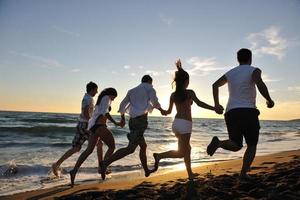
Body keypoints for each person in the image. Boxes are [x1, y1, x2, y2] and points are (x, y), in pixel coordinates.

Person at [207, 48, 274, 180]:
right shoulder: (254, 70)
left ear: (238, 59)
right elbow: (260, 83)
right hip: (248, 111)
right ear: (250, 58)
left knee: (236, 144)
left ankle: (219, 143)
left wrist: (216, 105)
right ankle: (243, 174)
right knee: (252, 144)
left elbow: (214, 85)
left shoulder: (231, 73)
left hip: (231, 112)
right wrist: (269, 100)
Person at [151, 59, 222, 180]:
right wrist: (214, 108)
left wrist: (161, 110)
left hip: (176, 124)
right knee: (181, 152)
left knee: (187, 148)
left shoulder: (173, 95)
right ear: (186, 81)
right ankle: (159, 156)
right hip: (185, 125)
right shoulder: (189, 92)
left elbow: (168, 112)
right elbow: (200, 104)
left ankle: (190, 174)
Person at [99, 75, 164, 180]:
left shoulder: (132, 90)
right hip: (141, 122)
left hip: (132, 121)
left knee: (143, 146)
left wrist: (123, 117)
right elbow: (155, 102)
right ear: (149, 81)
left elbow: (122, 105)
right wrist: (162, 110)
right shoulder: (149, 88)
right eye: (151, 83)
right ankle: (105, 163)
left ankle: (146, 170)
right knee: (130, 149)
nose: (152, 84)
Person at [69, 88, 124, 186]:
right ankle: (103, 167)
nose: (113, 100)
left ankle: (74, 171)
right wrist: (116, 122)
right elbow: (105, 113)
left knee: (88, 151)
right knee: (112, 147)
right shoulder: (107, 98)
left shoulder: (101, 100)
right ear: (111, 94)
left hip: (94, 128)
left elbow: (100, 113)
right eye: (114, 97)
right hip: (100, 127)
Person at [52, 81, 103, 177]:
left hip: (81, 124)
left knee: (76, 148)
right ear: (92, 90)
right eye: (96, 90)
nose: (97, 92)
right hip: (86, 125)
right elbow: (86, 112)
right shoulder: (89, 99)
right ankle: (101, 168)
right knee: (99, 144)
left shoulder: (87, 98)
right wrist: (92, 124)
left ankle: (57, 164)